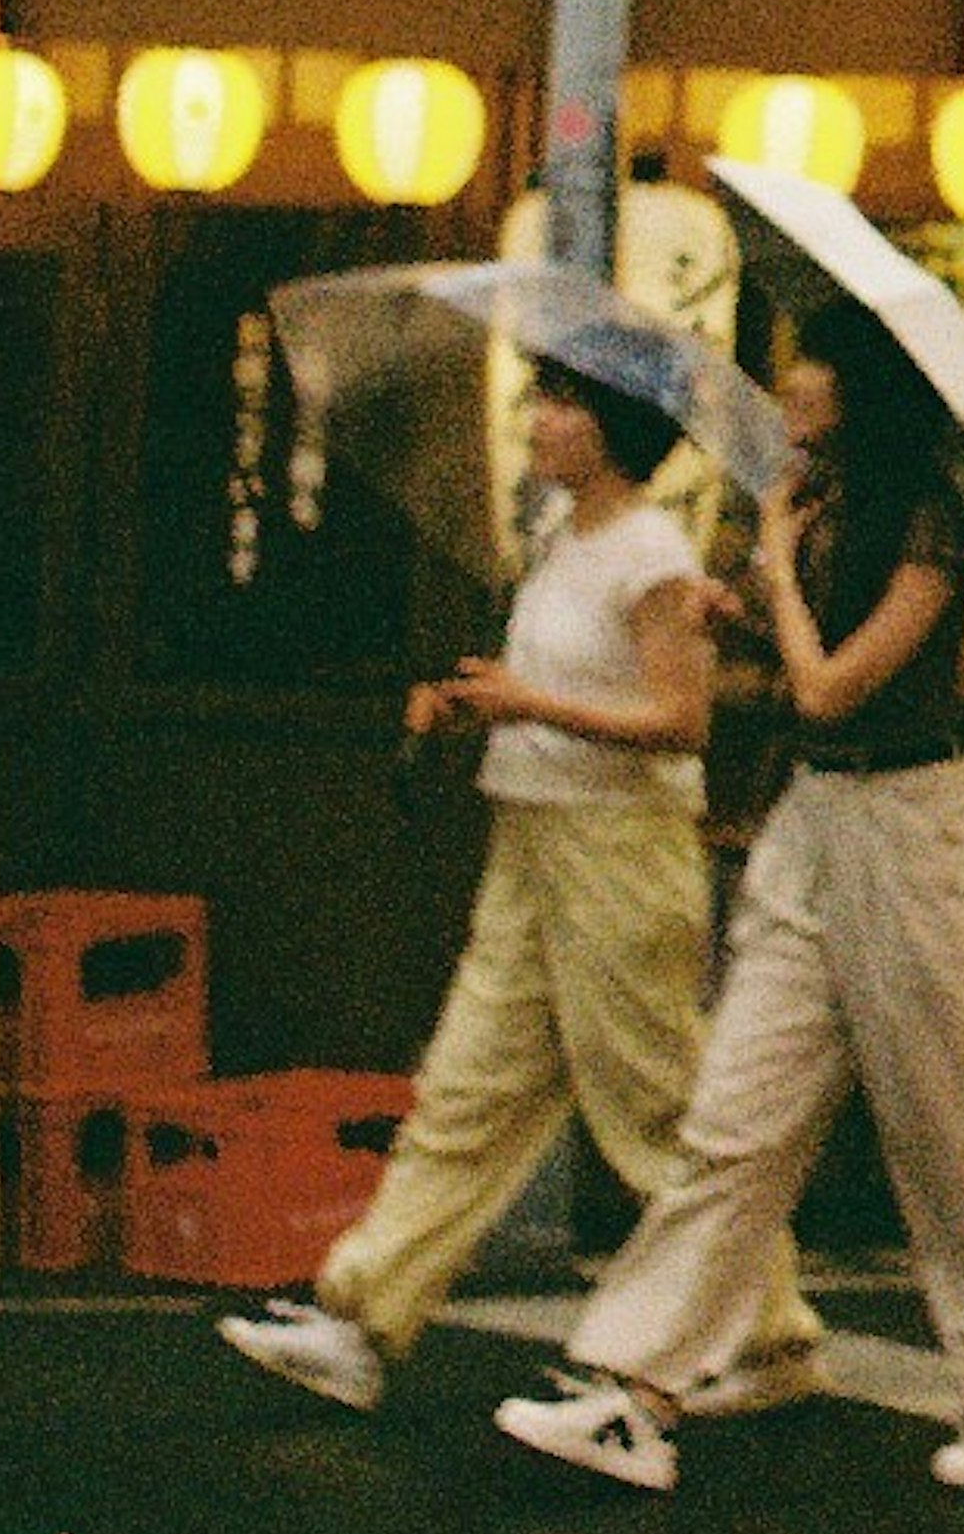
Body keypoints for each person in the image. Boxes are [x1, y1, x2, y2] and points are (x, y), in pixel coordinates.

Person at [494, 319, 964, 1500]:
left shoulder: (929, 523)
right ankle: (634, 1385)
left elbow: (833, 689)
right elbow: (803, 669)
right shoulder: (821, 503)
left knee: (948, 1132)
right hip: (815, 824)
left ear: (861, 390)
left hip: (915, 832)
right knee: (736, 1110)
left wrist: (773, 563)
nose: (787, 388)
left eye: (810, 369)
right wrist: (760, 592)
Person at [220, 371, 820, 1418]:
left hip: (618, 848)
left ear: (614, 431)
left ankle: (770, 1332)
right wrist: (480, 703)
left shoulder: (652, 554)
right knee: (466, 1087)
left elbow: (681, 718)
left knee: (654, 1104)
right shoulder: (563, 537)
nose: (535, 419)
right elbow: (582, 691)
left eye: (559, 404)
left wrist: (525, 701)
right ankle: (360, 1317)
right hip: (533, 833)